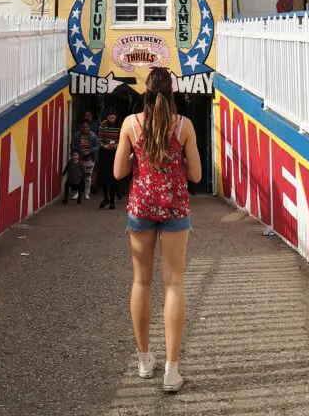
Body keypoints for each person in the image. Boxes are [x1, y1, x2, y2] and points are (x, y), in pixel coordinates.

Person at [114, 67, 202, 394]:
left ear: (145, 91)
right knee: (174, 283)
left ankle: (143, 360)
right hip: (175, 208)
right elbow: (195, 175)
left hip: (141, 208)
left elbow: (119, 170)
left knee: (141, 281)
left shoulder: (130, 124)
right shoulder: (184, 126)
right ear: (172, 91)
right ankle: (171, 370)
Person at [98, 108, 121, 209]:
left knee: (114, 177)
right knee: (104, 176)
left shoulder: (120, 125)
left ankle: (112, 200)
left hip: (116, 153)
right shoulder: (103, 125)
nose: (111, 119)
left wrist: (117, 145)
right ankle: (105, 197)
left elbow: (122, 139)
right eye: (110, 118)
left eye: (113, 117)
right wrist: (104, 146)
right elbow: (99, 139)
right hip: (104, 152)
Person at [71, 120, 99, 199]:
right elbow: (72, 146)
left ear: (90, 128)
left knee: (88, 176)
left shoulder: (93, 136)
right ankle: (77, 193)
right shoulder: (77, 135)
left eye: (87, 127)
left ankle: (87, 193)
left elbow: (97, 147)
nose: (85, 129)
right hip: (78, 158)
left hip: (90, 158)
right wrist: (80, 150)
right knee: (77, 176)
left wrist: (89, 151)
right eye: (83, 127)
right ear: (81, 127)